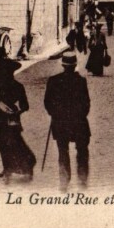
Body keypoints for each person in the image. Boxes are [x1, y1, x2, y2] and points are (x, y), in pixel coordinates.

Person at [44, 52, 91, 191]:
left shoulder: (53, 80)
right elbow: (86, 103)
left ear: (63, 65)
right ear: (75, 65)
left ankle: (64, 181)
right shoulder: (81, 81)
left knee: (62, 152)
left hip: (60, 123)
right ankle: (82, 179)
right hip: (79, 122)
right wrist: (80, 115)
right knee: (82, 151)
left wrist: (55, 114)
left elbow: (47, 102)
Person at [0, 59, 36, 183]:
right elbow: (25, 106)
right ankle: (11, 167)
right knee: (14, 142)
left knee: (6, 143)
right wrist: (17, 112)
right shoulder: (17, 86)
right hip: (11, 118)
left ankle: (16, 166)